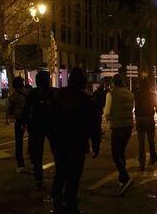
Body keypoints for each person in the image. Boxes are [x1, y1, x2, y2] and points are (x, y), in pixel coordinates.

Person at [52, 67, 100, 214]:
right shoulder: (86, 99)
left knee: (60, 174)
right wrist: (95, 144)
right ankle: (71, 204)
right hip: (79, 143)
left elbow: (51, 120)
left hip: (61, 142)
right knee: (74, 176)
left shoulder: (58, 96)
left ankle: (57, 205)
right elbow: (94, 124)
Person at [22, 71, 56, 189]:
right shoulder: (54, 92)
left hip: (36, 125)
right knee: (56, 150)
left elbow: (26, 109)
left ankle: (38, 178)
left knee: (37, 153)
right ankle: (61, 175)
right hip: (52, 125)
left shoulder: (33, 93)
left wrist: (23, 122)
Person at [104, 74, 134, 194]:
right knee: (121, 152)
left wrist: (109, 118)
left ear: (113, 83)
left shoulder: (111, 94)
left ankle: (125, 177)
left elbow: (106, 112)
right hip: (128, 127)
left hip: (117, 127)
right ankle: (121, 179)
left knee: (116, 154)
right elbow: (132, 109)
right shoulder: (130, 94)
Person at [135, 78, 157, 171]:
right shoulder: (153, 95)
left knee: (141, 143)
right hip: (149, 119)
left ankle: (142, 163)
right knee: (151, 140)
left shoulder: (137, 95)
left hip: (140, 119)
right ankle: (153, 157)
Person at [7, 76, 28, 173]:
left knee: (18, 143)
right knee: (35, 141)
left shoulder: (12, 97)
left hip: (19, 121)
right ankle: (34, 161)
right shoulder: (28, 94)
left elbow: (10, 112)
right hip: (30, 120)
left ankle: (21, 165)